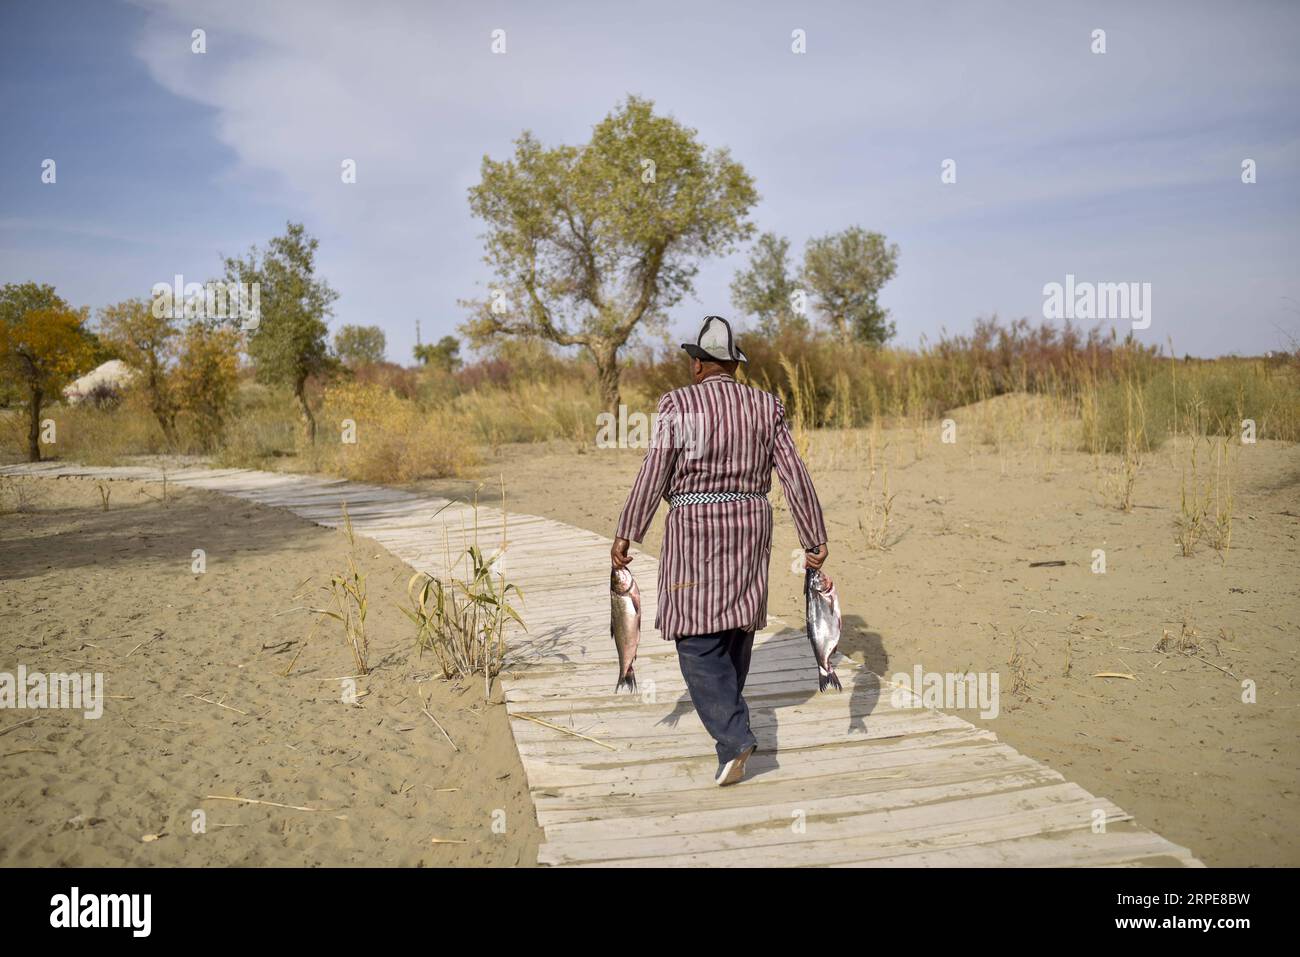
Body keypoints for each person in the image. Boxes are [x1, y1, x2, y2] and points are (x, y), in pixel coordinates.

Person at [611, 315, 828, 786]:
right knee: (736, 620)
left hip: (695, 530)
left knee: (694, 633)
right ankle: (731, 720)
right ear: (733, 364)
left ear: (697, 365)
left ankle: (733, 739)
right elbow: (795, 474)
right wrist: (815, 538)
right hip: (751, 527)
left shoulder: (677, 407)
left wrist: (628, 530)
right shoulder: (766, 406)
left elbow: (654, 472)